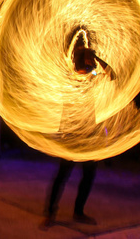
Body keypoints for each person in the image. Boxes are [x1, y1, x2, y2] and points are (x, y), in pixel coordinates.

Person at [42, 31, 115, 228]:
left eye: (91, 59)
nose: (91, 62)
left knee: (88, 176)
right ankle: (50, 214)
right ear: (80, 61)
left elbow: (113, 74)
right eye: (88, 58)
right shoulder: (70, 80)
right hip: (72, 135)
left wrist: (96, 57)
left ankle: (78, 212)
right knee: (62, 176)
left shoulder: (92, 79)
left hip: (88, 136)